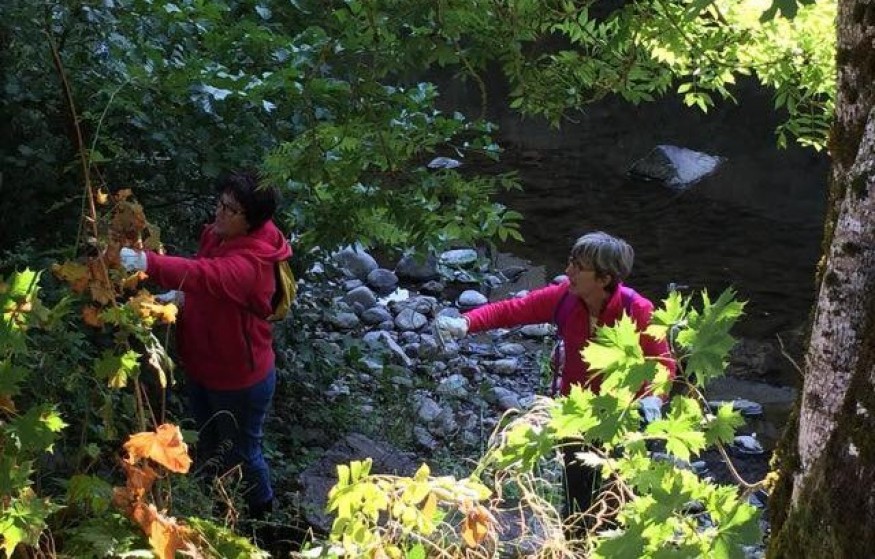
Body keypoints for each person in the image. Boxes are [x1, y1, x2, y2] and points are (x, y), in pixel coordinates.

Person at [435, 231, 674, 528]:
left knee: (619, 507)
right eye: (571, 262)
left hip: (625, 420)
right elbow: (513, 310)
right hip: (575, 414)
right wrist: (465, 322)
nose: (567, 271)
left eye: (578, 267)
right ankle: (574, 545)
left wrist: (654, 399)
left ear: (604, 279)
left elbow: (663, 364)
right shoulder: (566, 298)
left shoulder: (637, 310)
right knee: (576, 502)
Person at [120, 171, 292, 520]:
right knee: (209, 443)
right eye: (220, 203)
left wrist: (147, 262)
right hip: (205, 366)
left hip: (239, 379)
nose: (219, 213)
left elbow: (207, 275)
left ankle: (263, 519)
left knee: (243, 453)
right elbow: (206, 279)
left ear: (251, 220)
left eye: (230, 209)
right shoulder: (223, 234)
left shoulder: (253, 264)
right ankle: (215, 508)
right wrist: (179, 296)